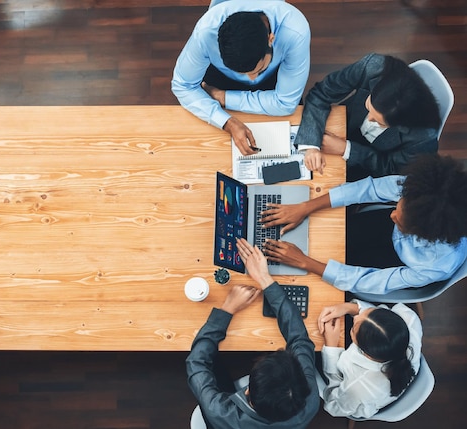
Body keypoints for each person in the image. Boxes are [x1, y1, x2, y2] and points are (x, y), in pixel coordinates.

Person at [259, 154, 467, 294]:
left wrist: (305, 262)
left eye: (402, 221)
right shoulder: (424, 191)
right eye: (398, 207)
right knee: (324, 236)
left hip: (395, 264)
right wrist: (305, 207)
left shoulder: (439, 264)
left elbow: (374, 281)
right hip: (383, 233)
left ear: (424, 233)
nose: (391, 215)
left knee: (316, 277)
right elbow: (368, 189)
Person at [186, 238, 319, 428]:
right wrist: (265, 280)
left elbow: (196, 362)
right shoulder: (310, 404)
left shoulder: (220, 412)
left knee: (211, 362)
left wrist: (227, 309)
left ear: (247, 391)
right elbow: (300, 341)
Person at [172, 0, 310, 156]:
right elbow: (182, 86)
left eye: (257, 70)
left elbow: (285, 103)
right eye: (245, 73)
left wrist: (224, 97)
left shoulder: (294, 30)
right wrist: (226, 122)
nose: (251, 80)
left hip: (273, 77)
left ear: (271, 39)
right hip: (222, 77)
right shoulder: (205, 32)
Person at [295, 53, 441, 181]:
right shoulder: (373, 67)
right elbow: (322, 92)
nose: (369, 119)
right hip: (341, 124)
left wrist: (346, 149)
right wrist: (311, 145)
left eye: (379, 122)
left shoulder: (424, 139)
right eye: (369, 108)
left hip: (366, 166)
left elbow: (391, 171)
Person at [317, 300, 422, 418]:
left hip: (355, 398)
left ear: (367, 354)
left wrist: (331, 346)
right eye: (368, 312)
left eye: (353, 328)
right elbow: (378, 320)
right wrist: (347, 308)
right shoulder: (409, 318)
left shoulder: (357, 387)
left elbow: (333, 406)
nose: (356, 318)